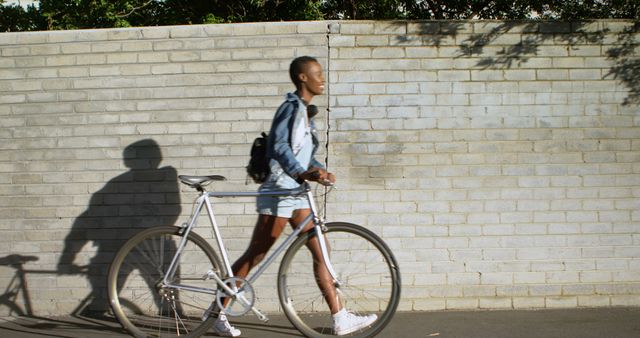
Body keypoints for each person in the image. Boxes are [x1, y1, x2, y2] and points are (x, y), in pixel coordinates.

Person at [213, 56, 376, 337]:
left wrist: (321, 172)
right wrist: (301, 173)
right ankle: (215, 314)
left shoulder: (304, 112)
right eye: (317, 74)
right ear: (303, 78)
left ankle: (340, 317)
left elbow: (306, 155)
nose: (322, 78)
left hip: (297, 193)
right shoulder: (289, 108)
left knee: (321, 251)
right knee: (256, 255)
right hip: (279, 191)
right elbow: (277, 146)